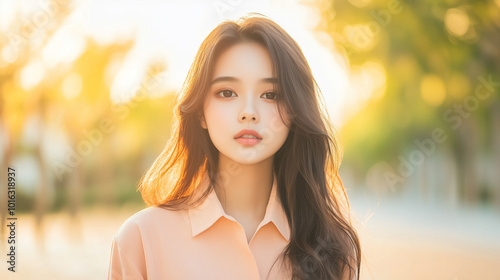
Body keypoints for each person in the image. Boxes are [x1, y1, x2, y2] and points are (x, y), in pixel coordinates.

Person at [108, 13, 361, 280]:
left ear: (296, 112)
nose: (249, 112)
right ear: (201, 113)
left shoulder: (331, 244)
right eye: (227, 92)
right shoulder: (141, 240)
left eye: (270, 95)